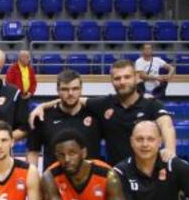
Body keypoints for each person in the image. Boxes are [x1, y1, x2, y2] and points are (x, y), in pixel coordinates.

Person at [30, 59, 176, 165]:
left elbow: (167, 126)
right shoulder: (104, 104)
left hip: (147, 173)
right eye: (117, 78)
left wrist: (170, 149)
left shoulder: (151, 104)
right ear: (112, 80)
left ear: (137, 78)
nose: (122, 82)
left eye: (127, 77)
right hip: (117, 174)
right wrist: (42, 106)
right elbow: (72, 99)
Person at [26, 69, 102, 167]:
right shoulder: (42, 117)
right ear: (58, 90)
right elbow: (33, 152)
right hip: (54, 176)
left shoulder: (96, 114)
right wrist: (33, 174)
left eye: (75, 89)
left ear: (81, 89)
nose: (70, 93)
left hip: (90, 176)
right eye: (65, 89)